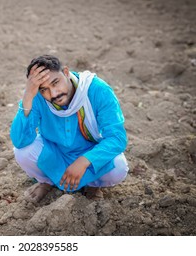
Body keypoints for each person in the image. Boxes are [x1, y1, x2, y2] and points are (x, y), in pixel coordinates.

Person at [10, 55, 129, 203]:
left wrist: (85, 160)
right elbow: (20, 141)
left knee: (118, 167)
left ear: (65, 72)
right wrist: (28, 96)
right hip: (56, 152)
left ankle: (92, 185)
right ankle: (47, 181)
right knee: (22, 152)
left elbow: (117, 138)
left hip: (90, 152)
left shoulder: (97, 90)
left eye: (55, 82)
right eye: (44, 89)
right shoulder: (36, 96)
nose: (53, 93)